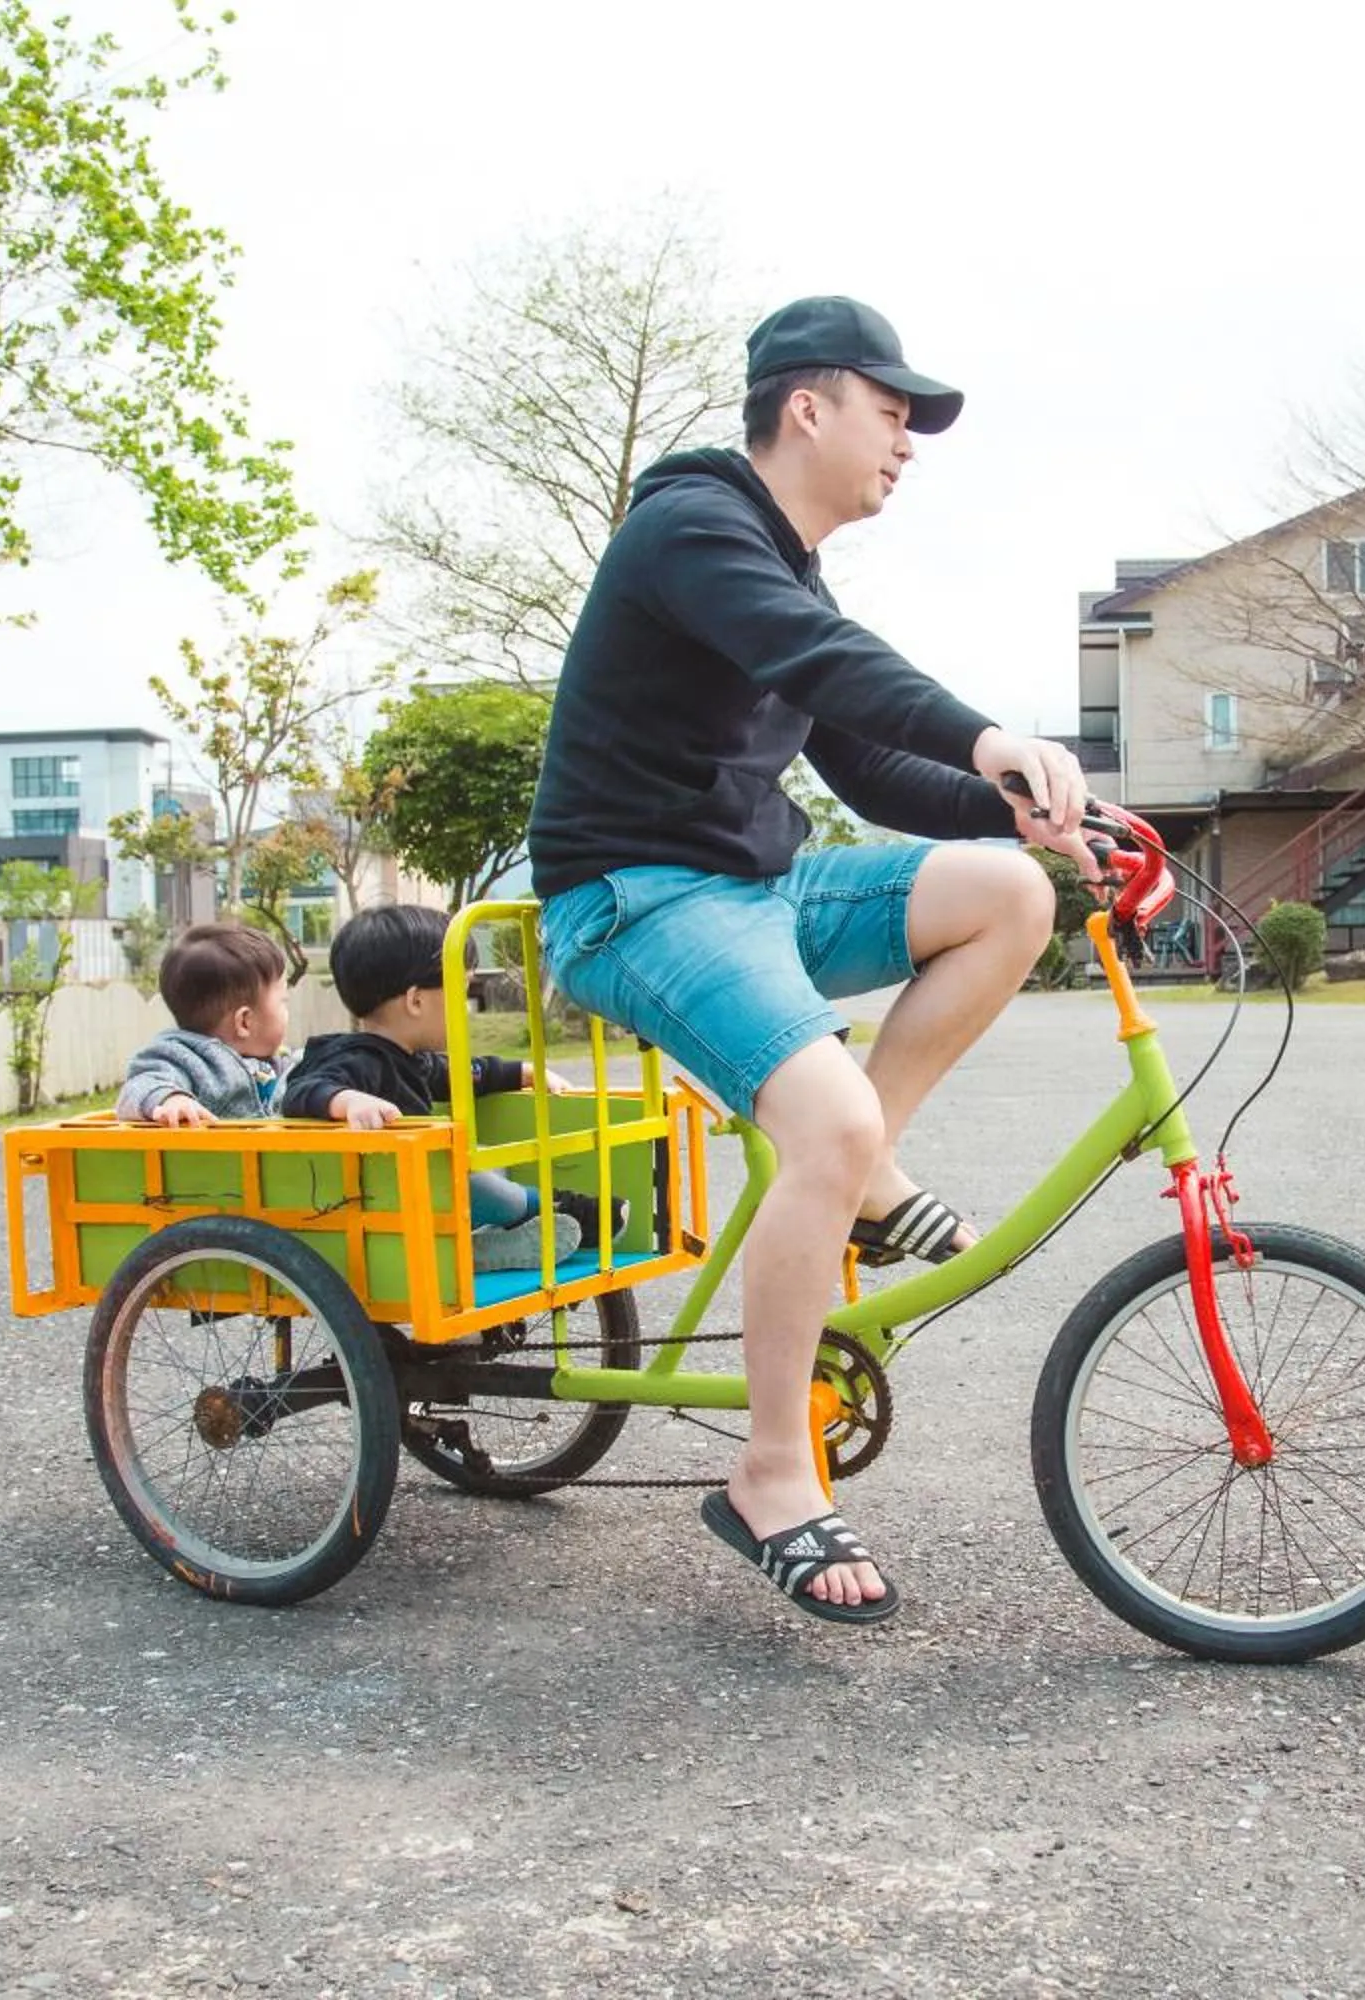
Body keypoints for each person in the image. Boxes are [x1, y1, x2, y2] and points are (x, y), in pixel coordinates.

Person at [527, 295, 1093, 1626]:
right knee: (824, 1121)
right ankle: (773, 1475)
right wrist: (986, 735)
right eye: (892, 414)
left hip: (753, 888)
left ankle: (851, 1176)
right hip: (631, 898)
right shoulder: (692, 528)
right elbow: (830, 667)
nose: (906, 444)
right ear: (808, 407)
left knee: (1004, 895)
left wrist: (1028, 813)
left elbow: (860, 759)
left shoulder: (785, 570)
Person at [283, 903, 585, 1272]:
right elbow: (301, 1092)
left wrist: (522, 1072)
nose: (465, 1005)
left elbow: (467, 1073)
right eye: (460, 991)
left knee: (484, 1162)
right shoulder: (355, 1059)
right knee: (473, 1181)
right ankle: (558, 1208)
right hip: (380, 1208)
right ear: (416, 1001)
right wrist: (347, 1101)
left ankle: (480, 1247)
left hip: (420, 1202)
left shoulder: (413, 1058)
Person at [116, 920, 292, 1125]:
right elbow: (138, 1087)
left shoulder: (281, 1064)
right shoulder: (184, 1060)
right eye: (284, 1002)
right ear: (245, 1022)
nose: (287, 1012)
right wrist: (171, 1099)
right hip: (208, 1156)